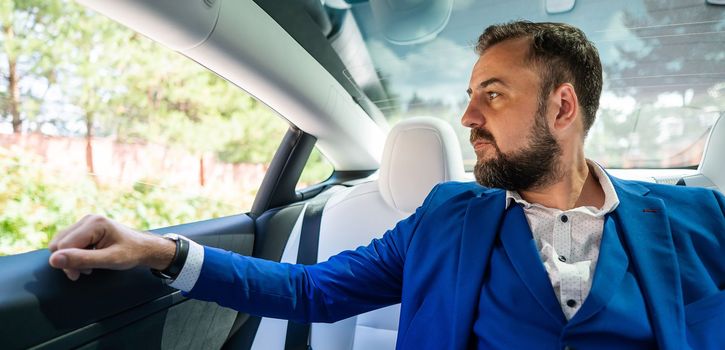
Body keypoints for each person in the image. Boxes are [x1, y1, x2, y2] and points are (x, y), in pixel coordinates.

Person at [48, 21, 724, 349]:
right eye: (468, 95)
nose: (466, 117)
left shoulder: (697, 220)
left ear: (562, 108)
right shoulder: (446, 217)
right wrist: (158, 251)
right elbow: (311, 290)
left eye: (491, 95)